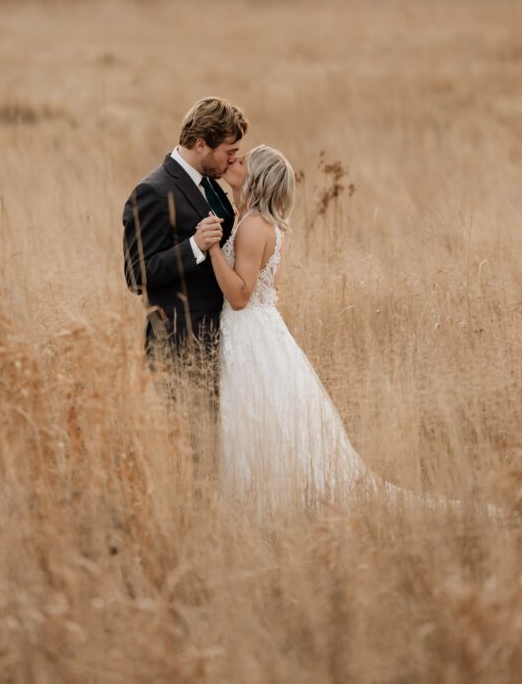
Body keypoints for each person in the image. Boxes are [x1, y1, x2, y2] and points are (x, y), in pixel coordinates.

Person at [210, 145, 497, 519]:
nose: (234, 160)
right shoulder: (262, 223)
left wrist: (213, 248)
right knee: (269, 420)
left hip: (248, 332)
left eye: (243, 160)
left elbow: (239, 296)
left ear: (257, 178)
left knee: (253, 418)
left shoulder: (250, 227)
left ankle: (264, 507)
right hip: (266, 333)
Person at [122, 97, 248, 402]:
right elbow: (136, 275)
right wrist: (194, 246)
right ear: (202, 145)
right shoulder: (152, 192)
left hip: (222, 338)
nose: (233, 160)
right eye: (229, 152)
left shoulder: (210, 183)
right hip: (180, 346)